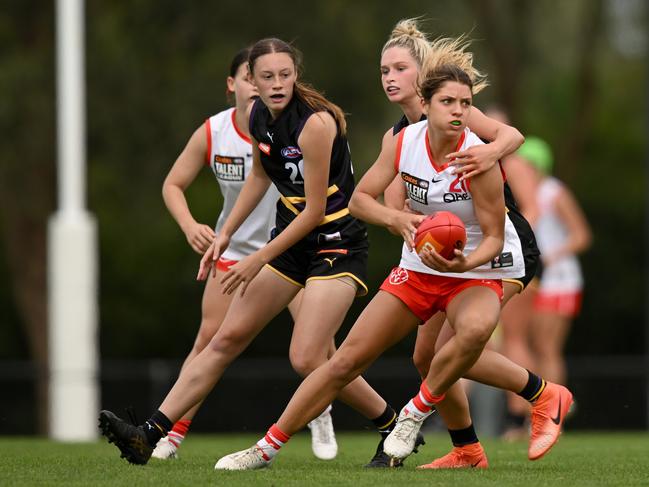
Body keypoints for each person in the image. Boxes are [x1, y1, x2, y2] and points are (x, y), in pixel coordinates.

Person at [215, 62, 573, 470]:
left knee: (471, 333)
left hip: (477, 268)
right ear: (426, 103)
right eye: (448, 102)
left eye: (465, 103)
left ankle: (414, 415)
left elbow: (493, 236)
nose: (457, 111)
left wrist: (464, 263)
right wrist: (397, 218)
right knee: (346, 361)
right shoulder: (403, 142)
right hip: (419, 267)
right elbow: (360, 199)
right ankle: (265, 448)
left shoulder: (479, 159)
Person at [98, 37, 418, 467]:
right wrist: (224, 234)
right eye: (267, 76)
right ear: (250, 80)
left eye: (285, 75)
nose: (278, 83)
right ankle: (149, 434)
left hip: (335, 245)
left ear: (295, 75)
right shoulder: (255, 115)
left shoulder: (316, 124)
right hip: (290, 242)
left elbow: (315, 211)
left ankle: (391, 424)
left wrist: (258, 256)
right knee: (223, 338)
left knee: (307, 357)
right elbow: (260, 177)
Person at [377, 19, 554, 468]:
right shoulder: (403, 135)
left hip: (504, 245)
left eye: (400, 68)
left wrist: (492, 152)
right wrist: (402, 219)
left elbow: (512, 136)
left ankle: (540, 396)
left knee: (457, 348)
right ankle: (468, 448)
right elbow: (392, 196)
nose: (391, 78)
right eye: (385, 70)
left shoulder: (456, 109)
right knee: (426, 357)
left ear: (424, 78)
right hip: (452, 251)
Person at [150, 47, 337, 461]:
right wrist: (193, 227)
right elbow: (172, 185)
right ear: (235, 83)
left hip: (290, 248)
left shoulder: (298, 124)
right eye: (254, 77)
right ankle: (172, 435)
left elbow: (317, 198)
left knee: (318, 349)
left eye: (276, 76)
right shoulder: (216, 130)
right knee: (209, 341)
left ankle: (320, 412)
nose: (264, 85)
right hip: (235, 252)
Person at [502, 137, 591, 437]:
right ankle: (538, 412)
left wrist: (553, 255)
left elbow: (581, 235)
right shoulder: (524, 196)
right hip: (538, 277)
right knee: (530, 344)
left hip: (560, 280)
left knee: (548, 348)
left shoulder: (554, 192)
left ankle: (555, 416)